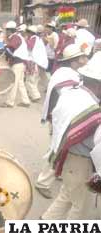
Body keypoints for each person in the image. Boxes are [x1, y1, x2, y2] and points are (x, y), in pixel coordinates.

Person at [41, 53, 101, 219]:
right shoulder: (91, 108)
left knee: (66, 196)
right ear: (98, 84)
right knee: (80, 209)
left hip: (68, 158)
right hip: (81, 162)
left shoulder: (73, 94)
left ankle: (45, 221)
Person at [36, 44, 88, 199]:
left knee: (59, 148)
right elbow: (71, 99)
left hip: (63, 118)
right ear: (73, 61)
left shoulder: (67, 73)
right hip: (62, 119)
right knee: (57, 149)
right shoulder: (67, 76)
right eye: (82, 58)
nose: (85, 60)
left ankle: (58, 171)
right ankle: (43, 182)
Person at [0, 21, 30, 108]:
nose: (6, 32)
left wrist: (2, 47)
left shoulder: (15, 37)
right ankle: (26, 101)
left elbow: (10, 49)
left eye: (7, 30)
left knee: (13, 83)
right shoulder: (15, 37)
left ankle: (9, 102)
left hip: (18, 62)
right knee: (20, 83)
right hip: (20, 62)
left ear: (10, 31)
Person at [25, 25, 48, 103]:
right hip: (40, 63)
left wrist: (25, 41)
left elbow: (29, 48)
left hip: (34, 62)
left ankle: (35, 96)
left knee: (29, 80)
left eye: (27, 32)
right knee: (34, 81)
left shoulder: (32, 39)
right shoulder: (38, 39)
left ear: (30, 33)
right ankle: (32, 95)